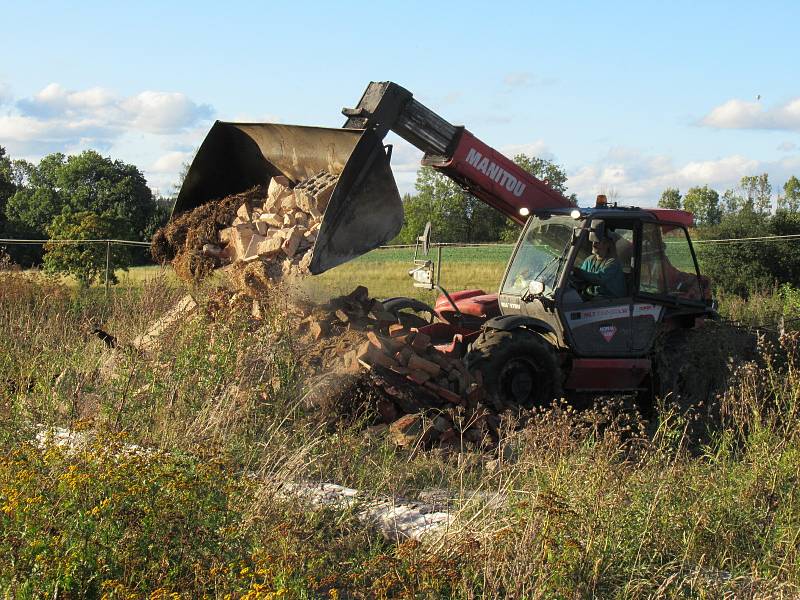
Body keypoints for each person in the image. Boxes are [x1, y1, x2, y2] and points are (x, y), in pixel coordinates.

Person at [572, 221, 626, 299]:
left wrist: (577, 271)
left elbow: (599, 278)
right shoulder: (590, 260)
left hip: (610, 299)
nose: (594, 244)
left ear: (607, 244)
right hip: (594, 295)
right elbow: (582, 276)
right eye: (593, 241)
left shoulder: (613, 262)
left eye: (598, 242)